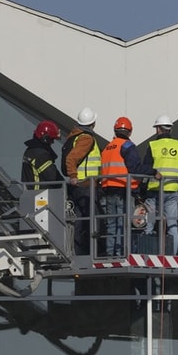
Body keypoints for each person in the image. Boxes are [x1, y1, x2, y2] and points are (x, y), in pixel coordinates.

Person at [100, 116, 152, 256]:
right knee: (123, 224)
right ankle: (122, 252)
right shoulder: (127, 146)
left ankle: (111, 253)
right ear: (130, 131)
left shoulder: (107, 148)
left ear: (115, 130)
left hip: (109, 190)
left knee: (112, 224)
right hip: (124, 189)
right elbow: (135, 168)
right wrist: (153, 172)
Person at [142, 114, 178, 254]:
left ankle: (147, 254)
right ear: (170, 129)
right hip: (173, 191)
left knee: (149, 224)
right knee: (173, 225)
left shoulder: (153, 146)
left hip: (155, 190)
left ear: (158, 129)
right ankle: (172, 256)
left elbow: (146, 168)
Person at [61, 107, 101, 255]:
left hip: (80, 186)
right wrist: (73, 175)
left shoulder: (75, 136)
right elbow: (72, 158)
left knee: (80, 220)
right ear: (93, 123)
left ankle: (79, 250)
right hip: (86, 185)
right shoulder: (86, 138)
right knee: (92, 220)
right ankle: (92, 251)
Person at [21, 119, 62, 188]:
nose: (52, 143)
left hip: (30, 194)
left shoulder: (30, 151)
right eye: (52, 139)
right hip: (41, 195)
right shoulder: (41, 155)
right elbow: (52, 177)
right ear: (46, 139)